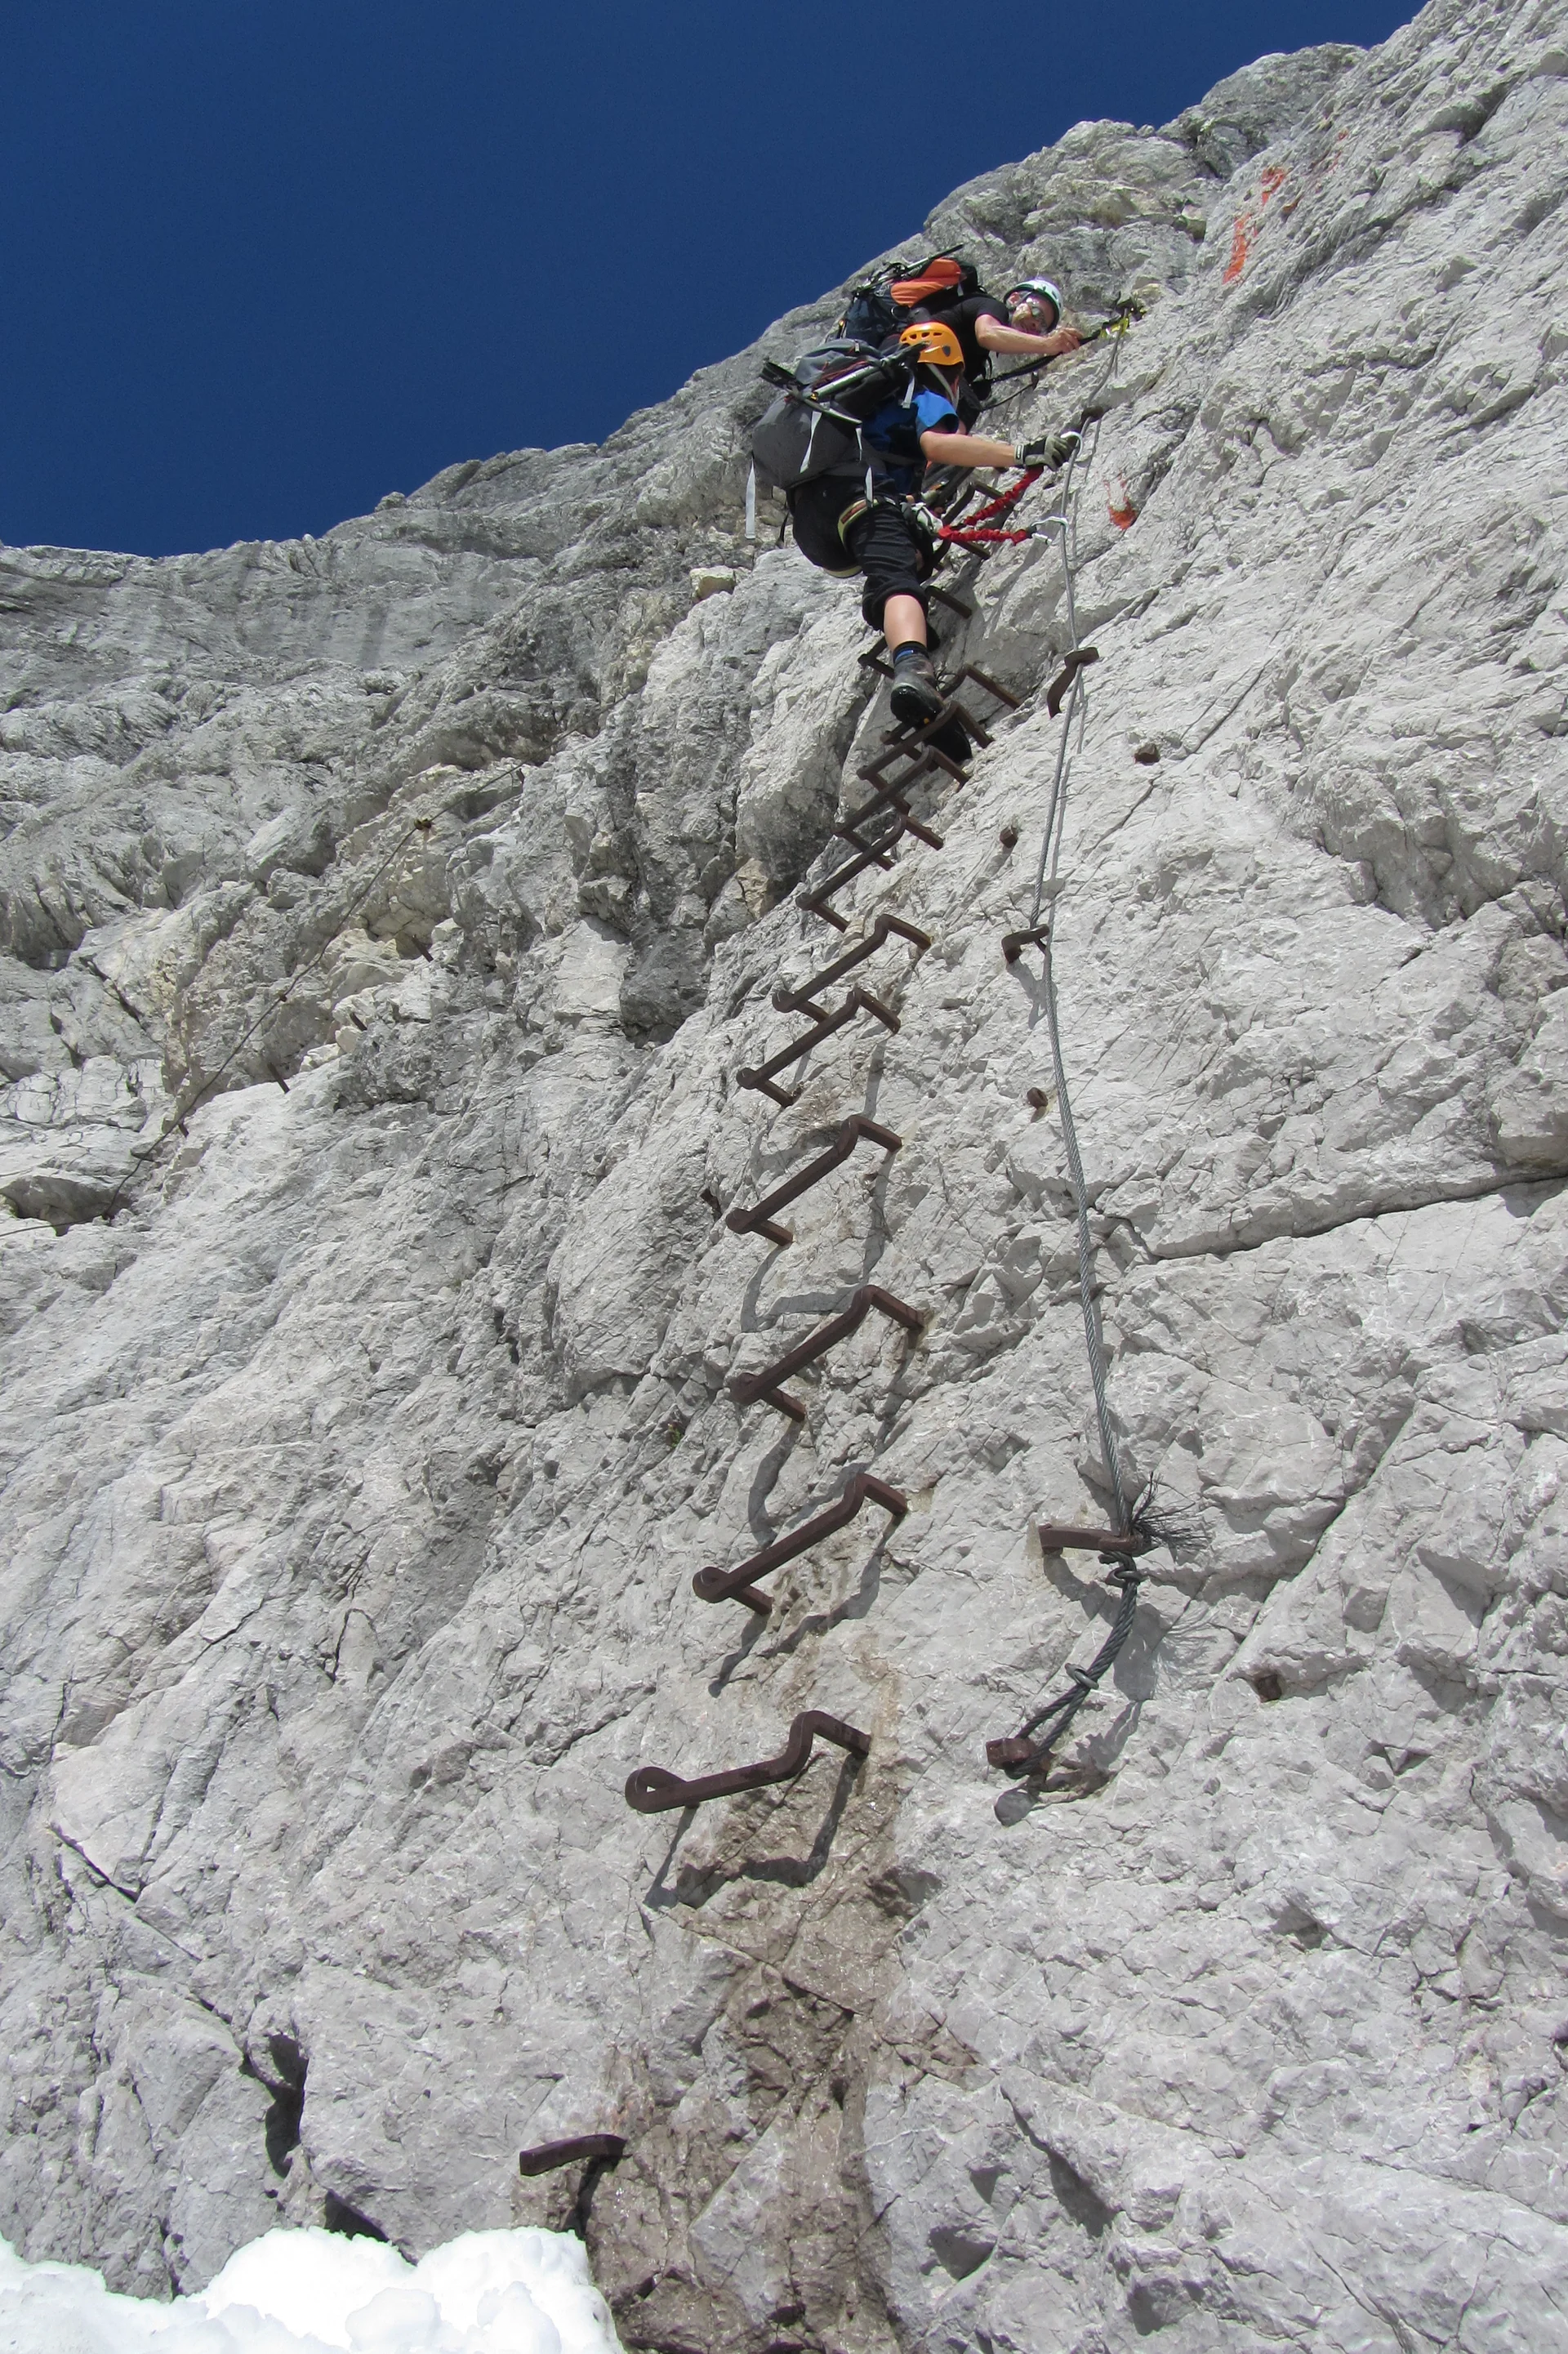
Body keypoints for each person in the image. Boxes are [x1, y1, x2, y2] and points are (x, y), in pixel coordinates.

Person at [788, 319, 1068, 728]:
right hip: (858, 496)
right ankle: (913, 666)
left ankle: (889, 611)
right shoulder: (921, 393)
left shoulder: (865, 406)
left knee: (906, 549)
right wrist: (1023, 452)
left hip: (814, 523)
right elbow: (939, 444)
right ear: (949, 368)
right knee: (898, 577)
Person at [893, 266, 1084, 422]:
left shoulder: (979, 357)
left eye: (1043, 326)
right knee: (966, 408)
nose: (1036, 324)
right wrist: (1048, 344)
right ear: (1016, 299)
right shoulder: (993, 307)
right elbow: (987, 334)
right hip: (919, 356)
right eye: (1036, 312)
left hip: (914, 367)